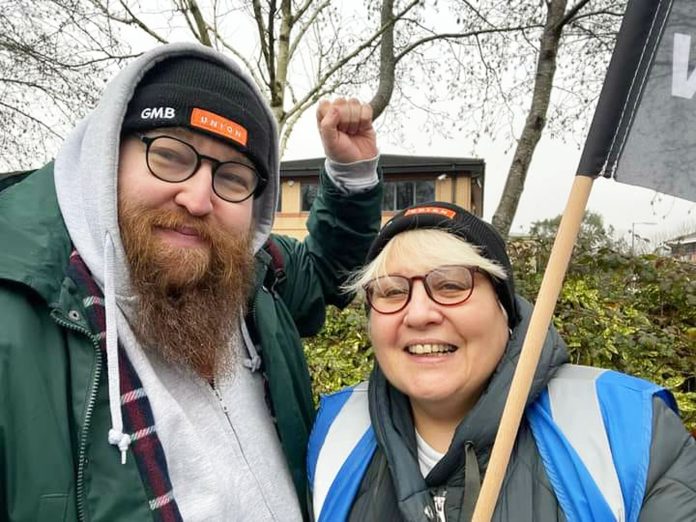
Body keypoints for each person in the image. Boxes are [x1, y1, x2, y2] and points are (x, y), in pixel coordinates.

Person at [0, 42, 382, 521]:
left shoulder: (254, 276)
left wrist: (351, 173)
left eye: (235, 177)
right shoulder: (15, 312)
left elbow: (327, 273)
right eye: (171, 155)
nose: (199, 198)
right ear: (107, 156)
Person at [308, 201, 696, 522]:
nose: (419, 314)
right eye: (392, 291)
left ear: (504, 309)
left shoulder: (626, 427)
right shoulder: (335, 430)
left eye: (450, 285)